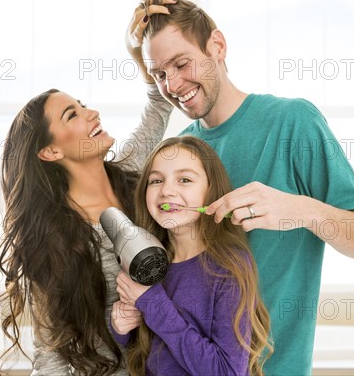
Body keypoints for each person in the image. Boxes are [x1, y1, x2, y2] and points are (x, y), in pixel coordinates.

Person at [125, 0, 354, 376]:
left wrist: (299, 210)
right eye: (159, 74)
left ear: (217, 45)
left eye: (182, 64)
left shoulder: (293, 123)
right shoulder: (179, 155)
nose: (173, 83)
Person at [0, 0, 176, 376]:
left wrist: (135, 49)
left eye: (82, 103)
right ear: (50, 150)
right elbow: (52, 353)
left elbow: (160, 102)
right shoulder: (49, 239)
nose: (91, 112)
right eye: (71, 114)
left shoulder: (134, 176)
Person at [110, 136, 273, 375]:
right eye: (156, 180)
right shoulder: (144, 261)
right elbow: (155, 349)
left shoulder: (228, 266)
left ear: (211, 193)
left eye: (184, 180)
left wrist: (151, 301)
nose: (166, 190)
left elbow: (226, 371)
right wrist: (122, 328)